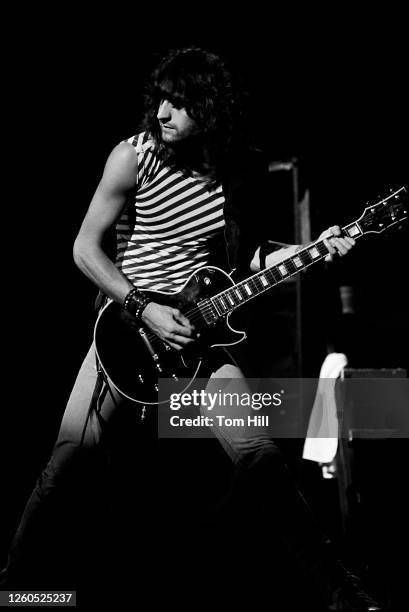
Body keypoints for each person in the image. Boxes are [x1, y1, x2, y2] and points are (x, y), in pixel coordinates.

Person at [0, 47, 382, 611]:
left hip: (200, 338)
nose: (163, 112)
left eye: (179, 103)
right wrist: (141, 307)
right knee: (68, 462)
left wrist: (314, 249)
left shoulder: (231, 172)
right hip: (126, 331)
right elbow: (84, 247)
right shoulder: (134, 157)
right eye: (161, 98)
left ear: (209, 109)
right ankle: (20, 593)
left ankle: (340, 593)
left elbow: (248, 255)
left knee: (260, 457)